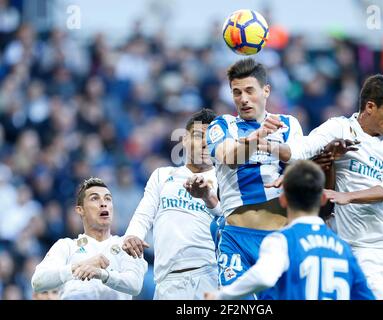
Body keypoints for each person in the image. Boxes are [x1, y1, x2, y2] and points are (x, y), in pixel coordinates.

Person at [205, 58, 354, 298]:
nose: (243, 98)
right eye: (236, 92)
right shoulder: (222, 125)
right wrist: (258, 136)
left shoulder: (288, 124)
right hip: (236, 240)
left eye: (249, 91)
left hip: (279, 239)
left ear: (266, 90)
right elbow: (229, 157)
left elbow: (299, 165)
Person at [295, 74, 383, 299]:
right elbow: (299, 152)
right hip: (356, 250)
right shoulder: (339, 128)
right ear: (370, 106)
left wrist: (348, 196)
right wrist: (268, 141)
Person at [205, 160, 375, 300]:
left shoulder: (282, 241)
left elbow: (264, 276)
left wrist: (222, 296)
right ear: (323, 199)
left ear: (283, 199)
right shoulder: (343, 248)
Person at [122, 108, 222, 300]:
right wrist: (132, 235)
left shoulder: (224, 181)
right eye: (199, 136)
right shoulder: (163, 175)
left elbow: (230, 224)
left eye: (211, 139)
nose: (204, 144)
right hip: (166, 282)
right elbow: (144, 214)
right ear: (184, 139)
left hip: (208, 277)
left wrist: (209, 198)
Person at [31, 177, 148, 300]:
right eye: (94, 198)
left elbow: (135, 285)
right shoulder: (66, 246)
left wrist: (102, 274)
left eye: (108, 199)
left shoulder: (126, 245)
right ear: (80, 210)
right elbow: (38, 281)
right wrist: (81, 266)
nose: (103, 203)